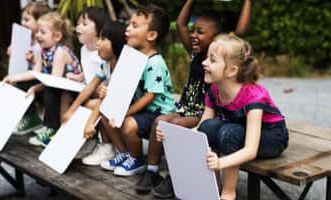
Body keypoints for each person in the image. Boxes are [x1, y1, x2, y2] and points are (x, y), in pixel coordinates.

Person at [157, 34, 288, 200]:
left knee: (229, 132)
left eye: (212, 60)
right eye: (206, 58)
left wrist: (220, 163)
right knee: (208, 127)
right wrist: (171, 135)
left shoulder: (254, 97)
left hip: (272, 136)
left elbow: (250, 151)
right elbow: (201, 130)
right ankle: (212, 189)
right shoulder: (214, 90)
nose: (204, 63)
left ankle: (228, 194)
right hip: (238, 130)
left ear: (232, 70)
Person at [141, 0, 251, 198]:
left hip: (206, 113)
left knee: (176, 125)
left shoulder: (222, 59)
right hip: (187, 108)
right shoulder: (195, 54)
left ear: (217, 38)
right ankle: (151, 171)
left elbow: (241, 31)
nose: (193, 35)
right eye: (193, 31)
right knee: (160, 122)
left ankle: (176, 176)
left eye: (200, 32)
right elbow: (181, 23)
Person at [98, 5, 176, 180]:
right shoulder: (131, 57)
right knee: (105, 113)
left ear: (151, 35)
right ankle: (125, 153)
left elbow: (150, 97)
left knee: (127, 124)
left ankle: (137, 159)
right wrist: (106, 91)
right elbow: (120, 86)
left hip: (158, 112)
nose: (127, 29)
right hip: (142, 109)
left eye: (134, 26)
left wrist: (126, 112)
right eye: (129, 24)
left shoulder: (154, 62)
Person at [5, 12, 83, 146]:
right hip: (54, 84)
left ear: (57, 36)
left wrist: (35, 88)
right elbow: (36, 73)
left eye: (43, 32)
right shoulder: (44, 50)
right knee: (24, 84)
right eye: (38, 32)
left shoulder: (60, 53)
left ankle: (51, 128)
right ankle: (30, 118)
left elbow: (54, 81)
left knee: (50, 91)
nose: (37, 35)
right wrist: (13, 78)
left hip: (69, 92)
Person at [62, 21, 126, 166]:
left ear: (116, 43)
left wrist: (90, 123)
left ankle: (117, 150)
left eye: (103, 39)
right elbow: (89, 88)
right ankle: (106, 146)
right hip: (112, 106)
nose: (98, 43)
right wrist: (71, 111)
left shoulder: (121, 67)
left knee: (99, 105)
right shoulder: (106, 65)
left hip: (125, 109)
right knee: (90, 103)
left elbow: (106, 100)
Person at [5, 1, 51, 136]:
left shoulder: (41, 44)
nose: (23, 23)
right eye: (22, 19)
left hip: (41, 81)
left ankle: (30, 118)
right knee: (13, 83)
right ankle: (18, 115)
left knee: (21, 84)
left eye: (27, 19)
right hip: (31, 76)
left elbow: (39, 70)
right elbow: (20, 66)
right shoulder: (25, 40)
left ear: (40, 21)